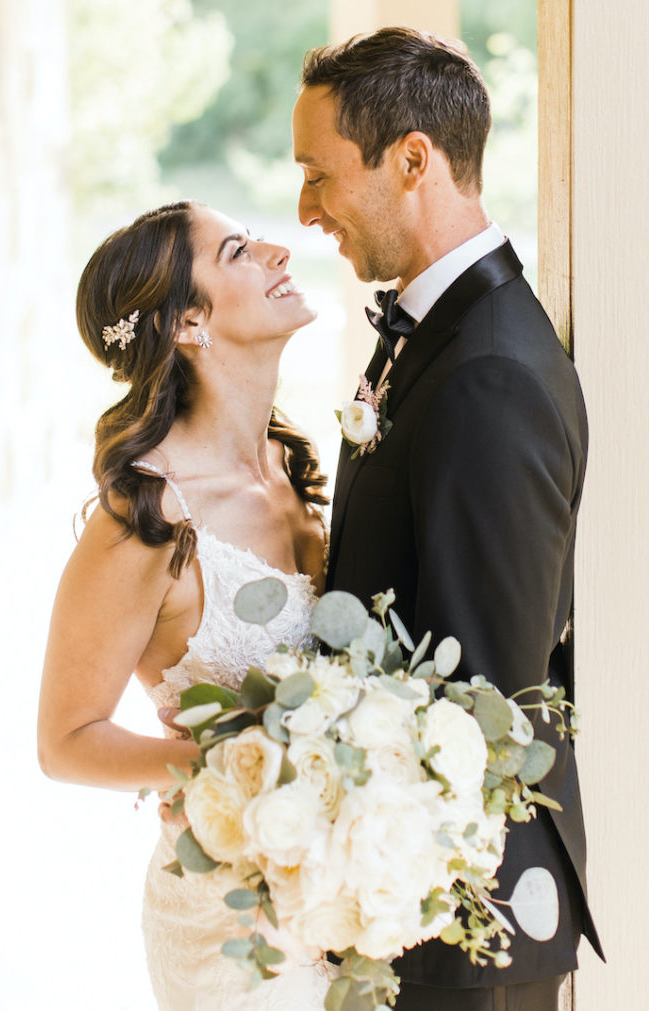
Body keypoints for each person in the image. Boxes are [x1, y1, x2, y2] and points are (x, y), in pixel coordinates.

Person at [292, 26, 604, 1011]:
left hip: (462, 917)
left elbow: (482, 693)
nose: (307, 211)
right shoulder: (444, 334)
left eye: (319, 174)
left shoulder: (489, 376)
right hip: (420, 904)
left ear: (413, 159)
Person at [37, 200, 334, 1010]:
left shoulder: (294, 464)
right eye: (239, 249)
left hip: (340, 887)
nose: (277, 250)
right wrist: (229, 760)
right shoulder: (149, 519)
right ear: (186, 324)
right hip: (229, 923)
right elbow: (64, 740)